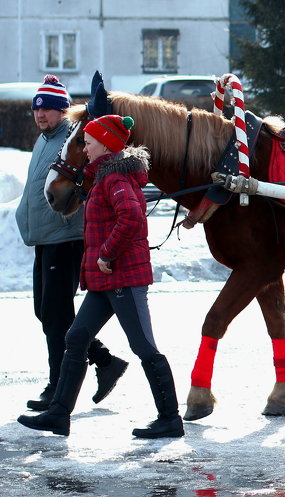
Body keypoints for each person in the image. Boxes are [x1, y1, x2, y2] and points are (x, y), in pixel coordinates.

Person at [18, 114, 184, 439]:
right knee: (76, 338)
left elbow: (132, 218)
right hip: (103, 281)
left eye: (89, 142)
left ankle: (170, 419)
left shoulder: (115, 179)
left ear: (105, 144)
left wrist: (106, 253)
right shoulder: (102, 175)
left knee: (144, 347)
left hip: (123, 278)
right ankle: (58, 415)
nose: (86, 148)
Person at [16, 75, 127, 413]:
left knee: (54, 314)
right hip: (45, 238)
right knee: (46, 311)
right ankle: (105, 361)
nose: (41, 115)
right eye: (38, 109)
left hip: (66, 236)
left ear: (62, 110)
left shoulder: (70, 136)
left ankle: (57, 387)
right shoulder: (44, 139)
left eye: (48, 109)